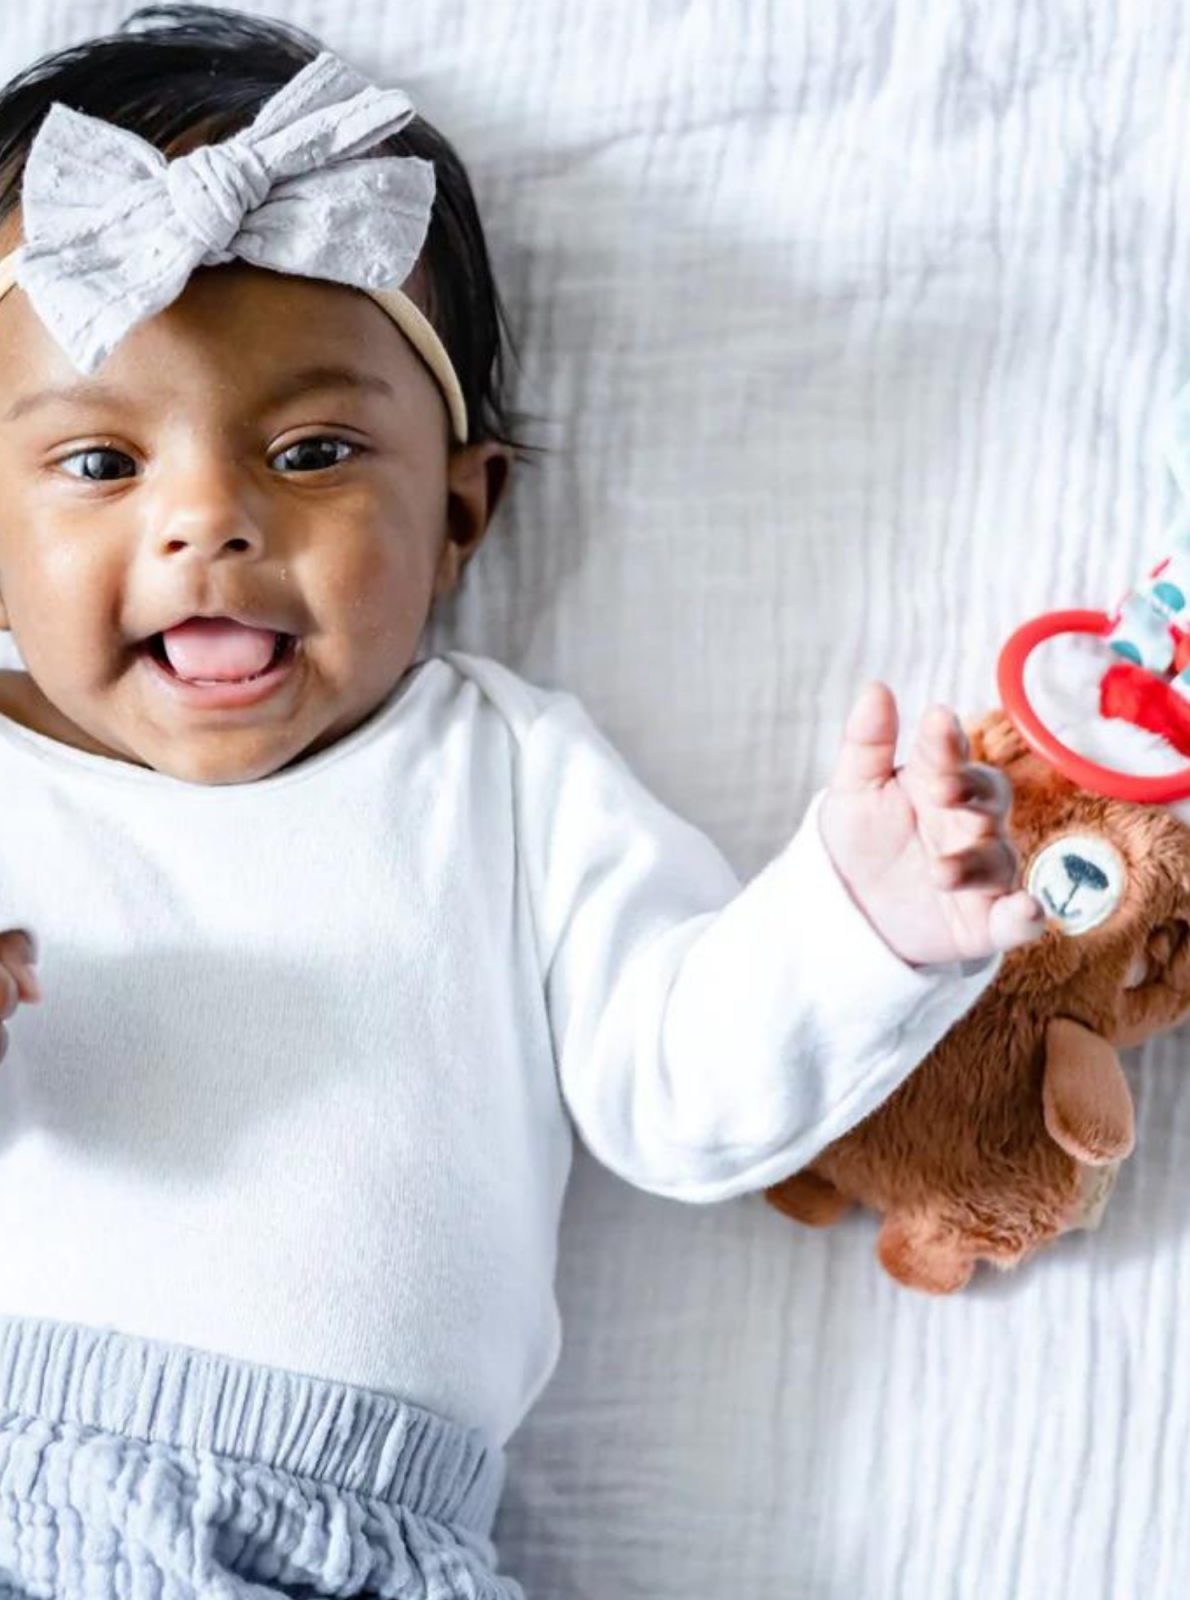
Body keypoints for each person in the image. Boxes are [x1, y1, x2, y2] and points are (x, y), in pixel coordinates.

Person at [0, 6, 1045, 1597]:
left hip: (358, 1541)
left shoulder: (505, 775)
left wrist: (863, 924)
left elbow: (679, 1089)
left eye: (316, 447)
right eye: (96, 466)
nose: (207, 520)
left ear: (461, 514)